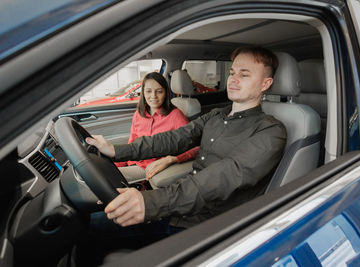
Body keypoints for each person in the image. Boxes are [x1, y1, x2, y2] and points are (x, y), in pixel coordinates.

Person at [83, 46, 286, 255]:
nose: (233, 79)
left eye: (244, 75)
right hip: (179, 206)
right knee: (88, 223)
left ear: (265, 84)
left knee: (93, 229)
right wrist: (116, 151)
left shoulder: (271, 131)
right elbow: (174, 139)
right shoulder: (216, 115)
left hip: (207, 227)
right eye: (232, 72)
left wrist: (151, 202)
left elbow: (221, 177)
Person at [115, 72, 198, 182]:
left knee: (108, 175)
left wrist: (172, 159)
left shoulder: (175, 116)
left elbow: (195, 147)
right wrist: (117, 159)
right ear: (143, 92)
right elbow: (132, 142)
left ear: (166, 93)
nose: (153, 96)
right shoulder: (139, 114)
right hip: (133, 161)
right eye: (148, 91)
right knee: (105, 165)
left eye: (159, 91)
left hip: (150, 168)